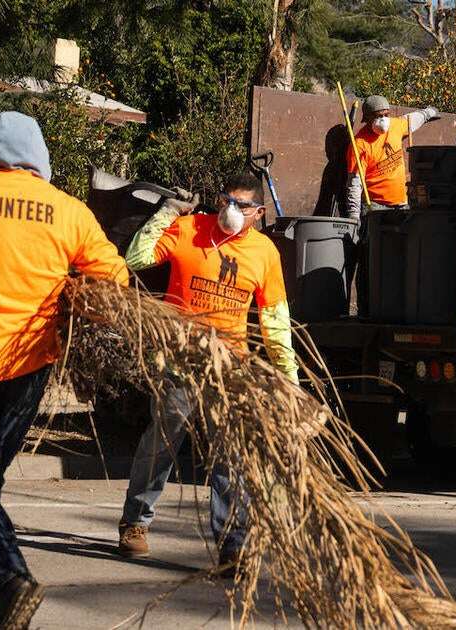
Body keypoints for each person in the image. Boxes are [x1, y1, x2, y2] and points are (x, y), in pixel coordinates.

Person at [0, 111, 128, 628]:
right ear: (39, 157)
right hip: (30, 364)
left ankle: (10, 580)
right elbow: (115, 279)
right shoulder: (69, 210)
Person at [116, 171, 299, 573]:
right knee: (162, 440)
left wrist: (289, 377)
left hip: (229, 367)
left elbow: (274, 319)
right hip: (179, 361)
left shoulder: (264, 252)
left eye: (241, 205)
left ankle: (234, 546)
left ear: (259, 212)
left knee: (230, 455)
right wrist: (165, 213)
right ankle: (134, 523)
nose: (230, 211)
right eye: (225, 201)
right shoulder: (188, 228)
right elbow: (135, 258)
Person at [344, 95, 440, 218]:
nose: (384, 119)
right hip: (375, 206)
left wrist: (428, 113)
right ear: (368, 118)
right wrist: (354, 215)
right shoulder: (359, 144)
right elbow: (355, 183)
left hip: (402, 203)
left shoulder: (396, 125)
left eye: (386, 114)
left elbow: (412, 119)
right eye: (379, 116)